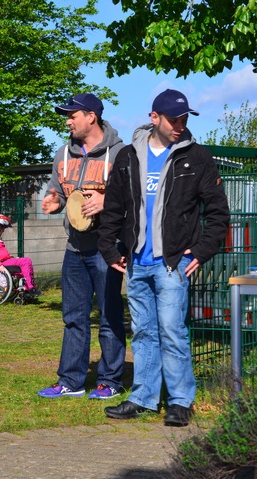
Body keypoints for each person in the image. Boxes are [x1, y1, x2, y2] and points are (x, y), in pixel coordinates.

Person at [98, 89, 230, 427]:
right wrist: (110, 249)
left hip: (172, 263)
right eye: (174, 119)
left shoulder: (196, 156)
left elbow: (217, 211)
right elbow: (113, 208)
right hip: (136, 262)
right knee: (143, 331)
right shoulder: (129, 156)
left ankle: (180, 401)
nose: (180, 125)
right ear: (154, 117)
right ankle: (143, 397)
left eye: (185, 119)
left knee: (172, 330)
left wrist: (202, 250)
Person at [38, 93, 127, 400]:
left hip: (107, 248)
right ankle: (71, 381)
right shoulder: (63, 153)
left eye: (72, 115)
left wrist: (107, 201)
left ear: (91, 116)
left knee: (109, 316)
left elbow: (135, 198)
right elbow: (59, 192)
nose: (67, 120)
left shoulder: (121, 153)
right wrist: (53, 202)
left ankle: (110, 380)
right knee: (73, 317)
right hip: (74, 249)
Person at [0, 213, 41, 297]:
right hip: (0, 263)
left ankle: (29, 287)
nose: (3, 231)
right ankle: (30, 287)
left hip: (5, 261)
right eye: (3, 228)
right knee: (25, 261)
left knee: (25, 262)